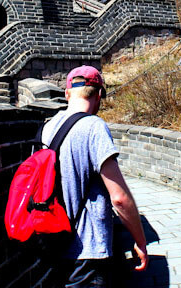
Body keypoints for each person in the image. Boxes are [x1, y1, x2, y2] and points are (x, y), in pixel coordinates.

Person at [41, 65, 149, 287]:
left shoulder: (47, 128)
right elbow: (119, 197)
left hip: (54, 244)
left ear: (67, 93)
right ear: (99, 95)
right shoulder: (94, 127)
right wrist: (140, 241)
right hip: (88, 251)